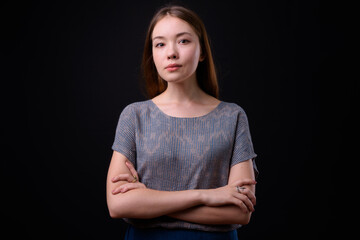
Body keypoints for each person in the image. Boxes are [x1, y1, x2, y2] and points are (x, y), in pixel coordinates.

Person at [106, 5, 258, 240]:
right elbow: (118, 205)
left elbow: (239, 211)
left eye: (183, 41)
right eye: (160, 44)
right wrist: (206, 196)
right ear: (152, 54)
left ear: (203, 51)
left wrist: (149, 201)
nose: (171, 53)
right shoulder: (134, 116)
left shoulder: (233, 117)